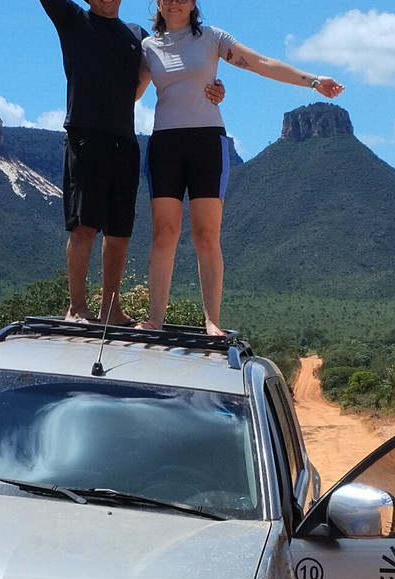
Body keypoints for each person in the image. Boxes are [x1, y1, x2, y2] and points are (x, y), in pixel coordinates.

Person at [137, 0, 344, 335]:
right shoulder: (148, 47)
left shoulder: (213, 38)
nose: (174, 2)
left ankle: (212, 322)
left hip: (207, 144)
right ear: (157, 3)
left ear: (193, 3)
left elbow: (260, 63)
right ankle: (155, 320)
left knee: (207, 235)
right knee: (164, 234)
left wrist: (313, 80)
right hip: (165, 145)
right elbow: (130, 92)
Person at [39, 0, 225, 325]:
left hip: (126, 141)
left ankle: (110, 309)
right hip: (86, 135)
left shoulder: (137, 35)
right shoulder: (72, 19)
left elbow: (173, 62)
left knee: (120, 231)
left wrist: (212, 87)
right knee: (84, 226)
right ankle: (76, 308)